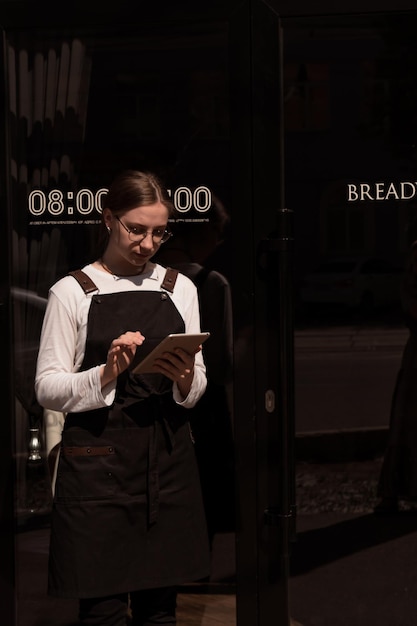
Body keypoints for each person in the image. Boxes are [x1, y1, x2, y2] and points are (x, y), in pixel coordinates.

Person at [35, 169, 210, 625]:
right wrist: (104, 374)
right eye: (137, 229)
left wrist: (186, 378)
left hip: (166, 465)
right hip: (98, 473)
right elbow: (47, 386)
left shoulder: (180, 287)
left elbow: (197, 389)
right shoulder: (72, 291)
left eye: (158, 232)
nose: (148, 244)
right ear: (108, 218)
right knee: (103, 612)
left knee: (160, 612)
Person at [155, 195, 235, 546]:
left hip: (154, 404)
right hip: (203, 406)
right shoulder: (212, 283)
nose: (217, 244)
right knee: (205, 494)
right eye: (217, 234)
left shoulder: (142, 277)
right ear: (203, 232)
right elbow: (221, 365)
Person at [375, 240, 417, 514]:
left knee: (404, 421)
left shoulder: (409, 283)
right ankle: (394, 491)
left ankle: (394, 492)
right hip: (415, 358)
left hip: (414, 356)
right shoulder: (410, 284)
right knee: (404, 420)